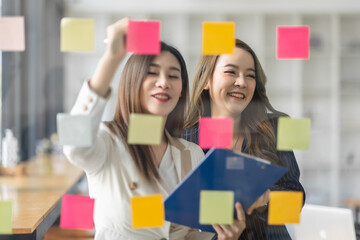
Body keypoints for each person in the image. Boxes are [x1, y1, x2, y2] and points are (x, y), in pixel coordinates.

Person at [63, 18, 246, 240]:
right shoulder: (109, 141)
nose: (163, 82)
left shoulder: (190, 153)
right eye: (152, 72)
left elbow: (188, 235)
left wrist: (226, 238)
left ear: (181, 90)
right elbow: (73, 145)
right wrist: (111, 59)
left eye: (173, 76)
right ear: (133, 81)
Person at [184, 38, 305, 239]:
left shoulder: (277, 126)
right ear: (207, 80)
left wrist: (266, 197)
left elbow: (296, 202)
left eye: (250, 75)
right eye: (231, 72)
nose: (241, 82)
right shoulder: (185, 137)